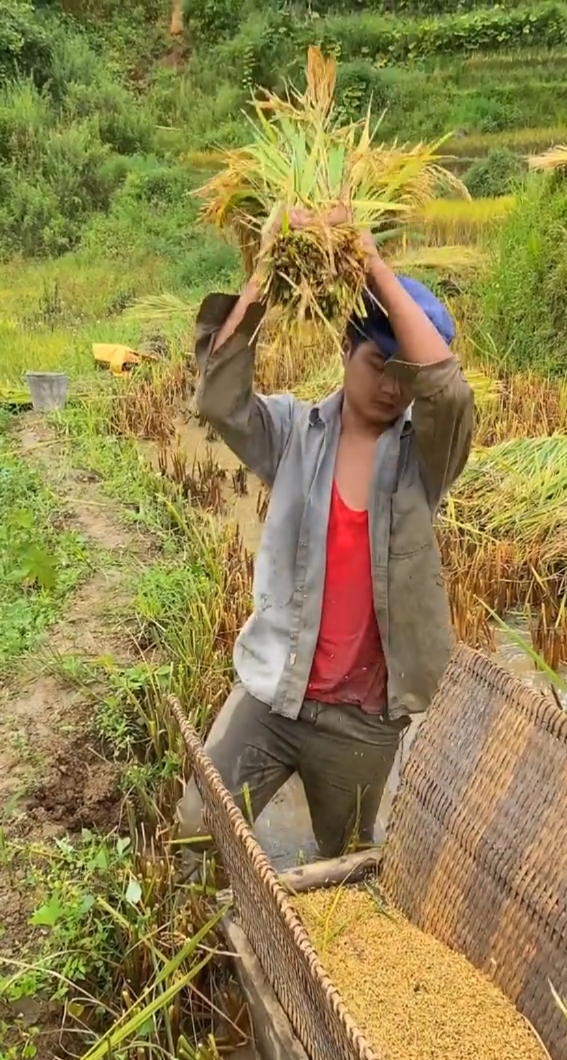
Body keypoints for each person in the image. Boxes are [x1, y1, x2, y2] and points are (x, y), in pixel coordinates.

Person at [176, 208, 474, 859]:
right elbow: (220, 400)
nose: (394, 387)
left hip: (363, 721)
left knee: (345, 867)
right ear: (345, 347)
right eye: (378, 363)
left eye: (405, 373)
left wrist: (369, 262)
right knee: (198, 834)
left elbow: (447, 392)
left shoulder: (424, 459)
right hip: (273, 696)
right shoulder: (291, 435)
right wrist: (265, 268)